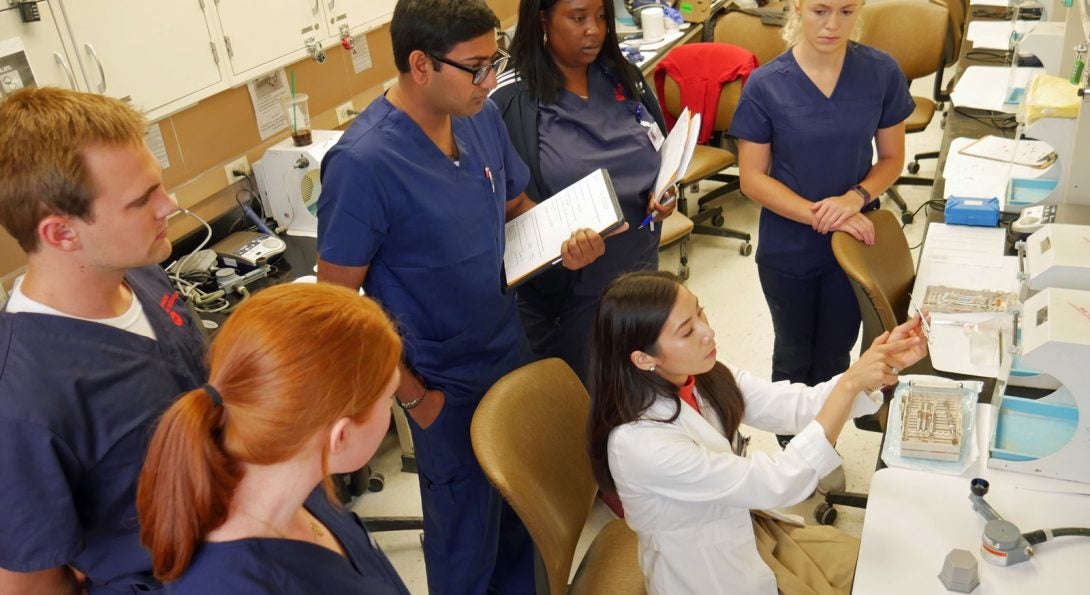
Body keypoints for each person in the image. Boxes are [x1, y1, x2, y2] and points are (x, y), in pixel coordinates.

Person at [316, 1, 609, 592]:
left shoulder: (479, 118)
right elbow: (337, 309)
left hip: (506, 349)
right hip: (440, 383)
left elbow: (513, 210)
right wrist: (416, 397)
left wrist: (565, 241)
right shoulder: (364, 164)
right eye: (476, 67)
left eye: (493, 60)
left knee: (527, 519)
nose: (491, 80)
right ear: (420, 65)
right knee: (467, 543)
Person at [586, 270, 928, 594]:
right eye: (687, 331)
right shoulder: (639, 443)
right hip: (711, 573)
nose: (708, 332)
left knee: (881, 568)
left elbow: (794, 406)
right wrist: (850, 383)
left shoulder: (701, 374)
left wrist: (882, 365)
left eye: (701, 313)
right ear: (644, 359)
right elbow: (777, 482)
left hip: (750, 532)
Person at [0, 87, 207, 593]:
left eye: (158, 187)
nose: (170, 205)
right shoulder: (23, 400)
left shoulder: (142, 276)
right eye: (142, 201)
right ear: (61, 233)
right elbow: (30, 584)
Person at [136, 283, 409, 594]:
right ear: (341, 436)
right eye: (389, 399)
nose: (392, 406)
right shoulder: (238, 583)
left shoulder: (300, 487)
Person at [728, 0, 915, 453]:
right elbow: (752, 178)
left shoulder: (880, 72)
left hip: (851, 246)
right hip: (789, 246)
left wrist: (855, 200)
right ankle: (793, 449)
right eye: (820, 11)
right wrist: (824, 215)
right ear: (797, 7)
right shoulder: (766, 85)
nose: (833, 25)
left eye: (847, 12)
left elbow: (891, 159)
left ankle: (823, 443)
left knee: (836, 352)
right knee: (794, 352)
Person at [492, 0, 674, 383]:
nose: (594, 29)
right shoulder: (511, 101)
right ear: (543, 20)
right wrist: (560, 247)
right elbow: (501, 210)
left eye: (601, 17)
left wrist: (666, 193)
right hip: (569, 299)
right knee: (588, 415)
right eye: (578, 18)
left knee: (643, 398)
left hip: (640, 279)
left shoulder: (623, 77)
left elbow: (661, 151)